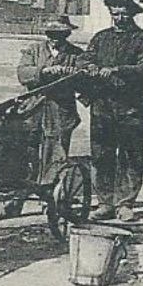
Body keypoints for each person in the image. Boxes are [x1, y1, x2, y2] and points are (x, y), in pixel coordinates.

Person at [83, 0, 143, 221]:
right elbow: (85, 59)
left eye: (124, 14)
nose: (119, 18)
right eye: (115, 14)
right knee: (101, 155)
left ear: (132, 14)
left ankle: (125, 203)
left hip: (133, 107)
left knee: (131, 155)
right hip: (102, 106)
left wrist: (116, 70)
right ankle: (105, 203)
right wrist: (90, 66)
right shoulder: (101, 38)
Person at [16, 16, 89, 174]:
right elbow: (23, 73)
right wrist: (43, 71)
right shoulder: (33, 50)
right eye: (51, 34)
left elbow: (84, 79)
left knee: (57, 145)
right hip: (33, 106)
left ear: (67, 34)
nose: (55, 39)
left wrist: (73, 74)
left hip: (61, 108)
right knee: (28, 142)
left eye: (60, 35)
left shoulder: (76, 54)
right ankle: (27, 180)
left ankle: (51, 181)